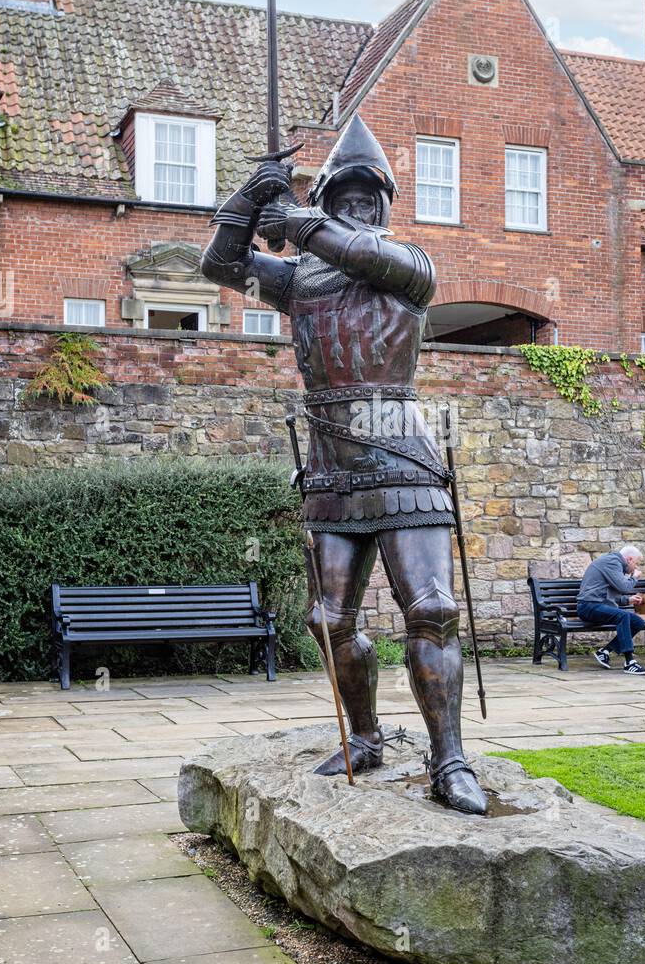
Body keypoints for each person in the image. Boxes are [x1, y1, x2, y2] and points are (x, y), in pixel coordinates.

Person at [200, 113, 488, 815]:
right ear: (329, 198)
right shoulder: (299, 281)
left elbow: (356, 253)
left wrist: (298, 220)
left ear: (384, 205)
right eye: (345, 197)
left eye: (368, 198)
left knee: (433, 609)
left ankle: (449, 760)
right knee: (329, 620)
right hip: (331, 464)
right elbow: (220, 266)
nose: (357, 208)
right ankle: (364, 736)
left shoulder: (409, 267)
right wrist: (250, 197)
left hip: (403, 456)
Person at [577, 545, 645, 674]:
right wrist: (634, 577)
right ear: (630, 559)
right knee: (623, 616)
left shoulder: (614, 563)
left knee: (638, 622)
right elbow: (624, 587)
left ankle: (605, 652)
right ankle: (629, 662)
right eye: (636, 564)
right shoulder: (612, 562)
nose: (636, 568)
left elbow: (608, 594)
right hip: (588, 606)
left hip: (598, 605)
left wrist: (628, 600)